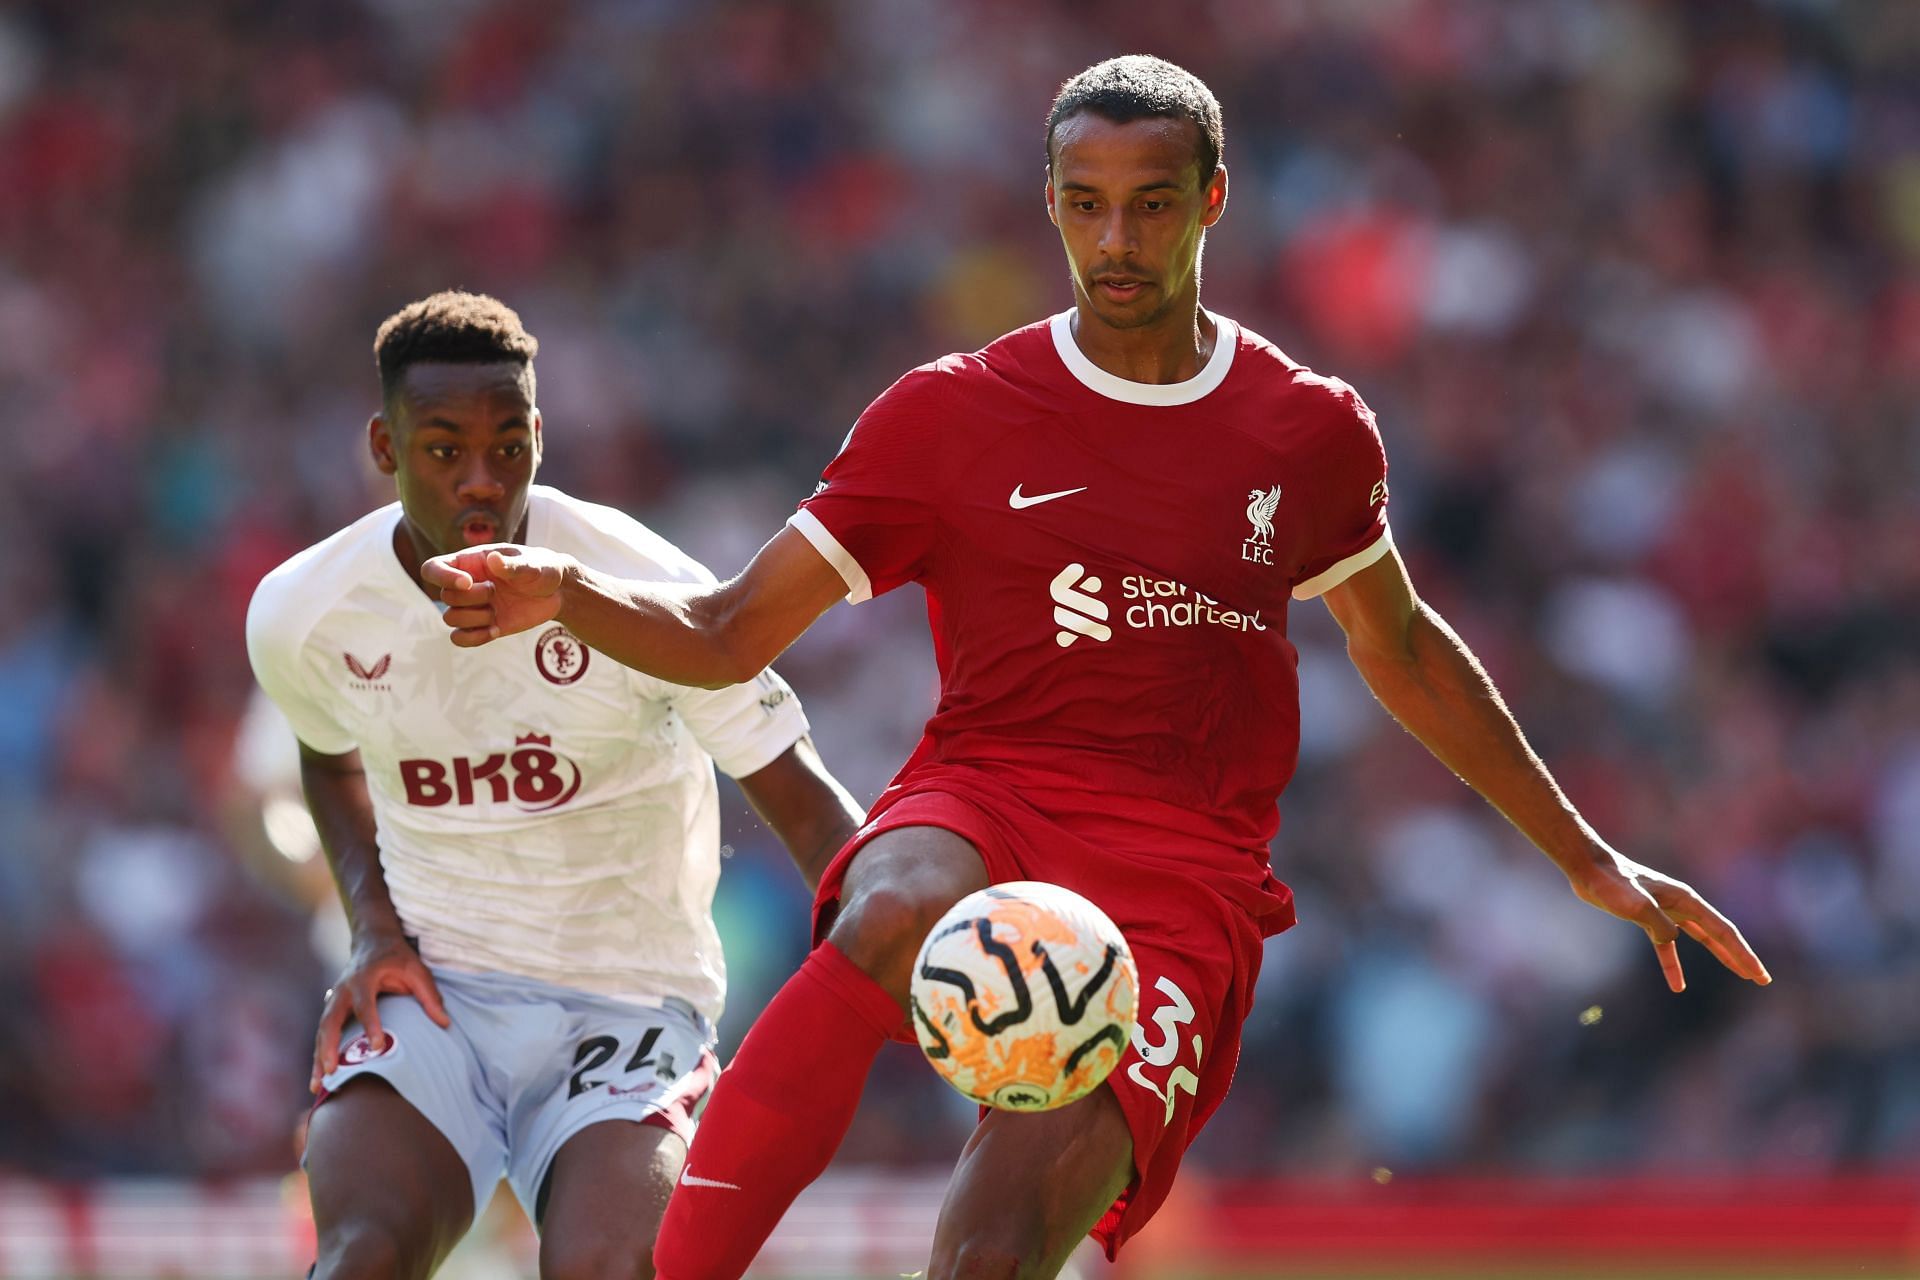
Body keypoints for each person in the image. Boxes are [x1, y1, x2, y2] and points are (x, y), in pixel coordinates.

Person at [421, 58, 1772, 1279]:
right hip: (991, 797)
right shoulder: (948, 414)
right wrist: (565, 592)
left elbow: (1401, 650)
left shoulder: (1304, 432)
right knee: (885, 907)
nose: (1115, 239)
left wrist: (1583, 855)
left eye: (1150, 203)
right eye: (1084, 203)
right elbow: (726, 633)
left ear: (1214, 200)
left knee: (995, 1258)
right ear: (1050, 204)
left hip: (1187, 879)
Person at [245, 291, 865, 1280]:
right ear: (384, 446)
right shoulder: (303, 611)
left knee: (604, 1267)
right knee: (359, 1256)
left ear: (540, 435)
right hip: (439, 995)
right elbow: (328, 756)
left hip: (628, 1007)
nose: (479, 483)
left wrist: (908, 944)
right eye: (443, 450)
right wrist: (372, 923)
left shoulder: (649, 588)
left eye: (506, 447)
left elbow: (804, 799)